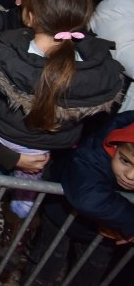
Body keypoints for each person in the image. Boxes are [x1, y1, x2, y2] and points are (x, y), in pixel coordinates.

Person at [0, 0, 123, 216]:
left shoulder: (10, 53)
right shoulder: (97, 68)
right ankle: (22, 204)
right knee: (29, 179)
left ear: (29, 17)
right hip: (43, 151)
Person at [25, 112, 134, 286]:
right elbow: (87, 195)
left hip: (104, 234)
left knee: (91, 272)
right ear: (114, 147)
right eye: (125, 161)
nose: (130, 175)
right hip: (61, 215)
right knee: (47, 264)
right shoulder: (94, 152)